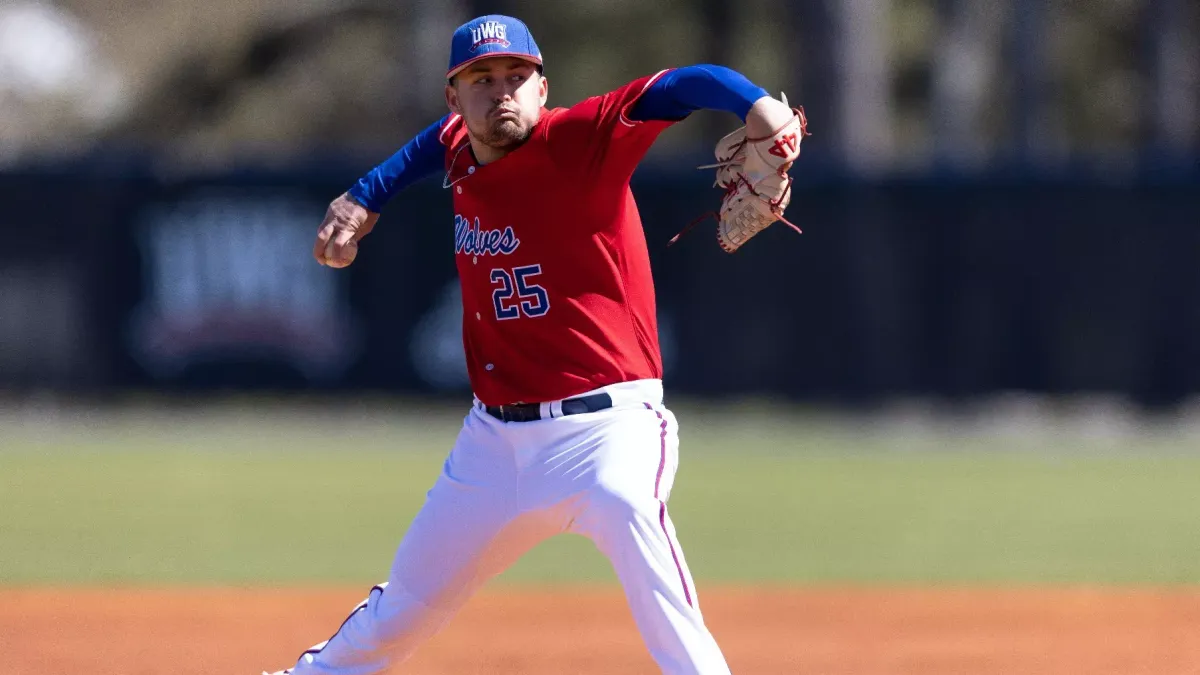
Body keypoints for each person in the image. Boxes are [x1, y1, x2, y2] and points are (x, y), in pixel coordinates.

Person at [266, 13, 807, 675]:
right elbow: (427, 148)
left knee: (644, 542)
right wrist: (363, 195)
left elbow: (681, 85)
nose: (502, 92)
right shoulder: (459, 146)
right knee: (401, 607)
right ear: (454, 100)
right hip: (492, 445)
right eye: (482, 79)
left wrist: (753, 103)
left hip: (607, 431)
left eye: (516, 77)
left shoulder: (583, 139)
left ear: (542, 89)